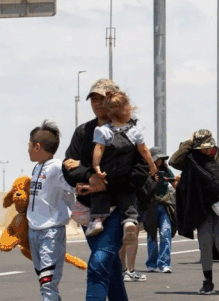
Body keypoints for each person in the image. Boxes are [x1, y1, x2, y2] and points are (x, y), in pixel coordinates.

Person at [62, 78, 147, 301]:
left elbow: (141, 172)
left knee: (98, 263)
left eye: (102, 98)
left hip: (120, 209)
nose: (97, 104)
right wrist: (89, 175)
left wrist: (101, 181)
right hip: (89, 210)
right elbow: (68, 168)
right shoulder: (83, 132)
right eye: (94, 99)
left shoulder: (131, 131)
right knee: (110, 267)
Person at [170, 129, 219, 295]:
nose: (203, 150)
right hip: (202, 207)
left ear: (212, 145)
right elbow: (174, 161)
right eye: (200, 147)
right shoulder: (192, 158)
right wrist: (189, 142)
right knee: (205, 244)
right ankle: (207, 281)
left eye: (205, 147)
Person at [83, 90, 157, 239]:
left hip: (108, 174)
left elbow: (98, 149)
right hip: (126, 175)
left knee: (100, 193)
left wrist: (96, 167)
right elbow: (144, 150)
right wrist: (152, 165)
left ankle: (97, 220)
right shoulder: (135, 131)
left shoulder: (103, 131)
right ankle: (129, 221)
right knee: (128, 196)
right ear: (128, 110)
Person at [27, 120, 76, 301]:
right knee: (43, 281)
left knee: (48, 283)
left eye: (29, 145)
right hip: (34, 232)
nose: (27, 149)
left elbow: (74, 187)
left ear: (37, 146)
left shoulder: (57, 167)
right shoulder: (36, 168)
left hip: (51, 232)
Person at [146, 148, 175, 274]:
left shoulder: (166, 171)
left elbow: (175, 184)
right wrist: (150, 177)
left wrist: (177, 180)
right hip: (150, 206)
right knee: (151, 235)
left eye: (161, 158)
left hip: (165, 205)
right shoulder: (146, 170)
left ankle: (164, 264)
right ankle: (151, 264)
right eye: (157, 158)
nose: (159, 161)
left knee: (166, 233)